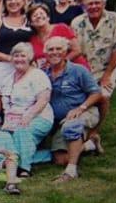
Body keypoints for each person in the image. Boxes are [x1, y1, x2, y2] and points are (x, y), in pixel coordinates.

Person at [44, 37, 103, 183]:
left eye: (58, 49)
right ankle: (90, 144)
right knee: (60, 159)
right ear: (46, 53)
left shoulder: (78, 70)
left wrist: (80, 108)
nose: (54, 52)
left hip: (84, 112)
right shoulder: (44, 74)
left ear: (65, 52)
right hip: (61, 121)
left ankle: (71, 172)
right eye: (50, 49)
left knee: (72, 125)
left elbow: (97, 93)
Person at [71, 0, 116, 139]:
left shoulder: (115, 19)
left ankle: (95, 131)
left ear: (104, 4)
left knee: (103, 97)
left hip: (105, 68)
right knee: (82, 98)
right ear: (84, 5)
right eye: (90, 4)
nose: (93, 7)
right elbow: (74, 49)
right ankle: (79, 128)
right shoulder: (77, 22)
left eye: (97, 3)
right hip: (84, 68)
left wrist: (107, 75)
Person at [0, 43, 53, 177]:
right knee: (1, 143)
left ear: (30, 58)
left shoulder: (38, 75)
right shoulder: (8, 79)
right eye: (16, 55)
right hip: (12, 120)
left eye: (23, 56)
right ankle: (49, 155)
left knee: (21, 131)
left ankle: (23, 168)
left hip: (38, 117)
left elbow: (44, 98)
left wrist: (29, 115)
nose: (19, 59)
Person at [27, 3, 89, 70]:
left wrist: (59, 64)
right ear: (31, 22)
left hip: (75, 70)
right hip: (52, 75)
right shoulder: (32, 39)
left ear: (48, 18)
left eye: (41, 13)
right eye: (35, 15)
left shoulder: (61, 28)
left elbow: (77, 50)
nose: (38, 16)